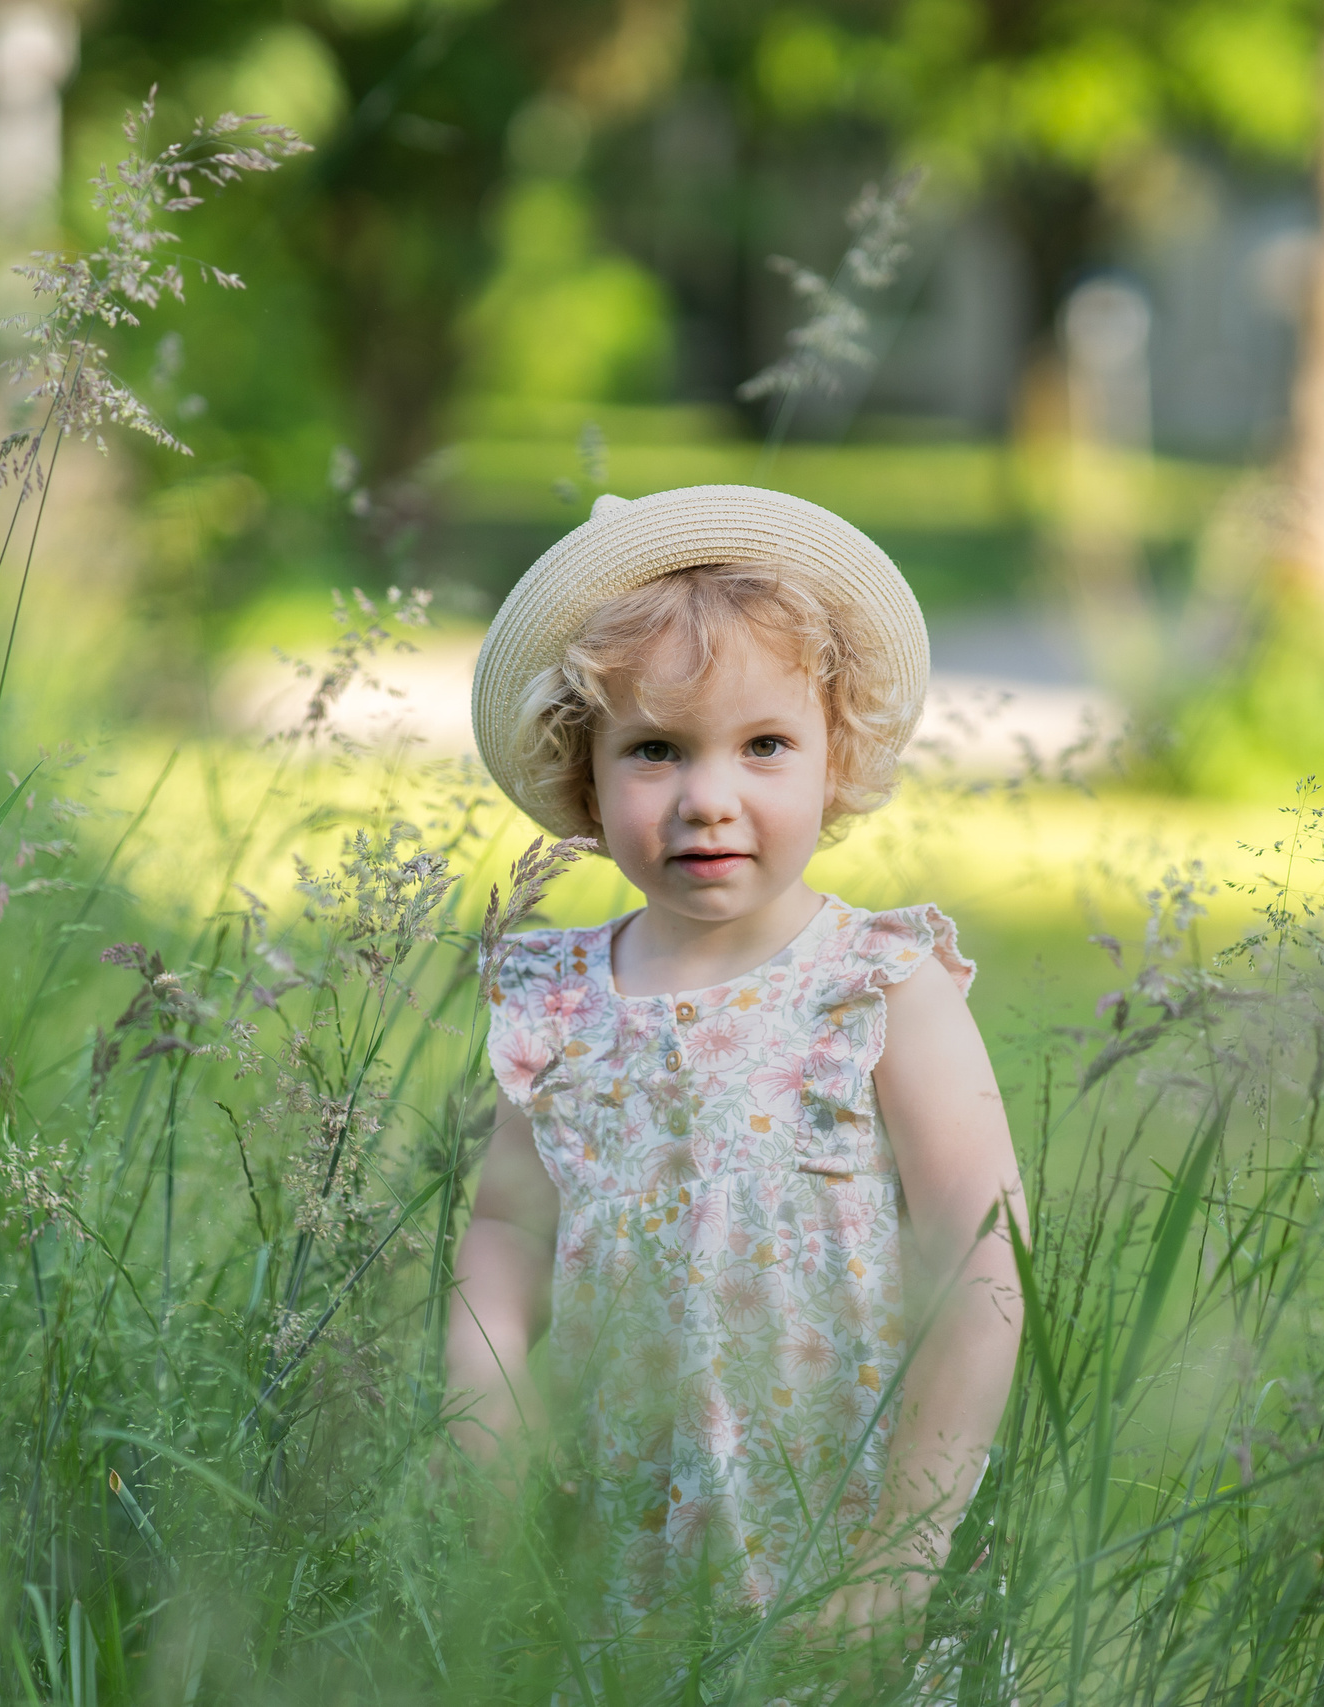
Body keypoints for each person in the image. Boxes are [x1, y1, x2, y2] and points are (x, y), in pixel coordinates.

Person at [445, 485, 1024, 1670]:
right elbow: (502, 1236)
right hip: (622, 1545)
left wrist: (900, 1554)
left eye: (763, 746)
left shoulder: (878, 983)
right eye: (655, 750)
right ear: (586, 780)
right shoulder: (558, 1000)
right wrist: (494, 1468)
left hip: (843, 1523)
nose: (709, 796)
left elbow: (984, 1256)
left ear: (836, 759)